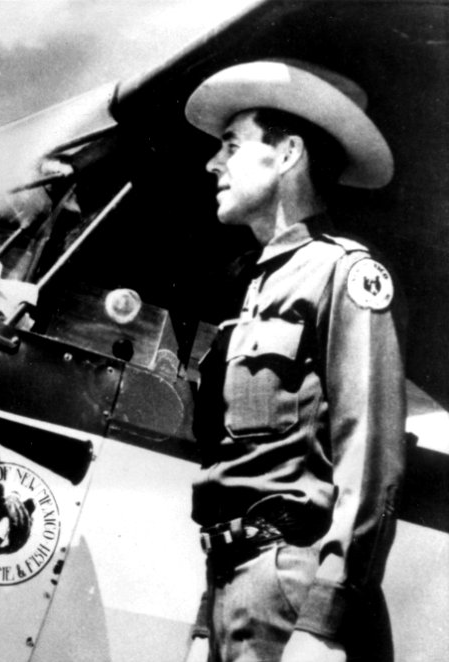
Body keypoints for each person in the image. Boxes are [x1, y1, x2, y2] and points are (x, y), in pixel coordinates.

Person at [181, 60, 407, 662]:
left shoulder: (346, 274)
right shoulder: (251, 291)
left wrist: (322, 624)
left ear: (287, 156)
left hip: (297, 597)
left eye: (232, 145)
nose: (213, 163)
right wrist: (207, 624)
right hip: (235, 590)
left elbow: (370, 459)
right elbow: (237, 474)